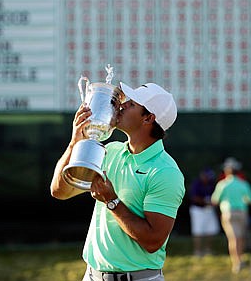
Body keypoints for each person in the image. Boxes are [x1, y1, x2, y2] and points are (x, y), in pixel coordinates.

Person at [50, 82, 185, 281]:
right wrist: (74, 142)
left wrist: (112, 201)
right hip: (92, 276)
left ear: (148, 118)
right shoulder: (110, 151)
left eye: (131, 104)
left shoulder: (166, 172)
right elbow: (60, 191)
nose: (121, 105)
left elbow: (153, 241)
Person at [211, 157, 251, 274]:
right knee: (240, 238)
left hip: (228, 213)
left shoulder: (222, 184)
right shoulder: (243, 184)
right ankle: (240, 260)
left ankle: (236, 263)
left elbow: (214, 200)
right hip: (242, 212)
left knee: (233, 239)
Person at [188, 167, 220, 256]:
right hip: (198, 210)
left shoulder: (211, 184)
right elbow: (194, 198)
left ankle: (208, 250)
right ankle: (197, 251)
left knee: (210, 230)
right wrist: (206, 202)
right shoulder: (196, 184)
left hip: (209, 209)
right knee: (198, 231)